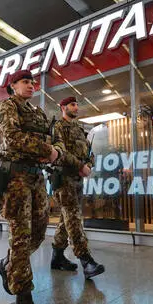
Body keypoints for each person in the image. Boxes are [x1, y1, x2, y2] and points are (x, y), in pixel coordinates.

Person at [0, 70, 62, 304]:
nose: (32, 85)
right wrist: (47, 149)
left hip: (36, 176)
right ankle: (23, 297)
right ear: (13, 86)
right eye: (25, 82)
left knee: (39, 232)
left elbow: (50, 140)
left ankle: (7, 264)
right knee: (21, 235)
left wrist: (54, 150)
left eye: (33, 82)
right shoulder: (6, 107)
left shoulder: (37, 112)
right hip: (16, 177)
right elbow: (11, 138)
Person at [50, 96, 105, 279]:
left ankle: (57, 257)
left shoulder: (80, 130)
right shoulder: (58, 128)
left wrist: (89, 165)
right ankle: (86, 260)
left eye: (77, 104)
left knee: (66, 220)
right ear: (63, 107)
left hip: (78, 181)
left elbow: (90, 153)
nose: (76, 107)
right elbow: (60, 153)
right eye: (72, 104)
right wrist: (80, 166)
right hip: (64, 179)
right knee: (73, 217)